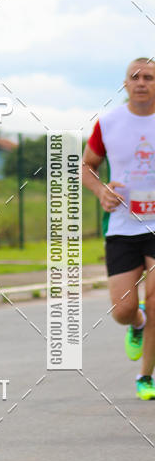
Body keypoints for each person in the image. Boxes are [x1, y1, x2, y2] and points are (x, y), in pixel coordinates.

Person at [82, 57, 155, 399]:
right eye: (135, 77)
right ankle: (137, 323)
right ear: (125, 84)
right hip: (124, 225)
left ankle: (145, 376)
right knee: (123, 310)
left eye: (149, 77)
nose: (142, 82)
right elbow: (87, 167)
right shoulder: (109, 123)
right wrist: (100, 191)